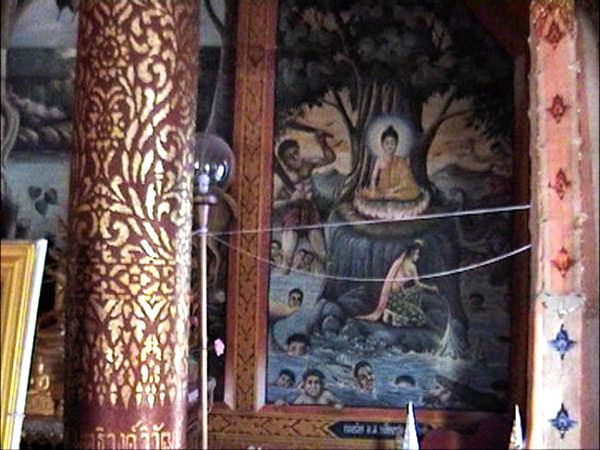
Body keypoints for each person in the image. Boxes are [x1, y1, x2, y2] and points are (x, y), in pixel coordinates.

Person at [274, 132, 336, 274]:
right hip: (292, 213)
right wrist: (290, 200)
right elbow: (272, 204)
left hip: (310, 210)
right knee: (287, 259)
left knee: (323, 255)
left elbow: (330, 158)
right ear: (283, 161)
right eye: (290, 156)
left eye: (296, 153)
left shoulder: (307, 164)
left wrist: (323, 143)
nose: (296, 158)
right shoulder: (282, 179)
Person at [357, 240, 438, 322]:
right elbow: (418, 284)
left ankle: (394, 311)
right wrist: (431, 288)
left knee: (416, 291)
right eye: (417, 254)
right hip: (394, 298)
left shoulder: (400, 262)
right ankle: (392, 317)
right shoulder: (411, 267)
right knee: (421, 318)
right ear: (412, 254)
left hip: (391, 297)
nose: (418, 257)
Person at [360, 125, 421, 201]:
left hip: (396, 189)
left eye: (392, 143)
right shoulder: (379, 160)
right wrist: (373, 187)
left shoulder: (400, 160)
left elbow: (406, 180)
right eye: (387, 143)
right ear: (382, 145)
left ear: (396, 145)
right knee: (372, 194)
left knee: (414, 191)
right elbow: (374, 177)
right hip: (382, 189)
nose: (390, 146)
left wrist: (394, 189)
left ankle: (392, 195)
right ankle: (386, 195)